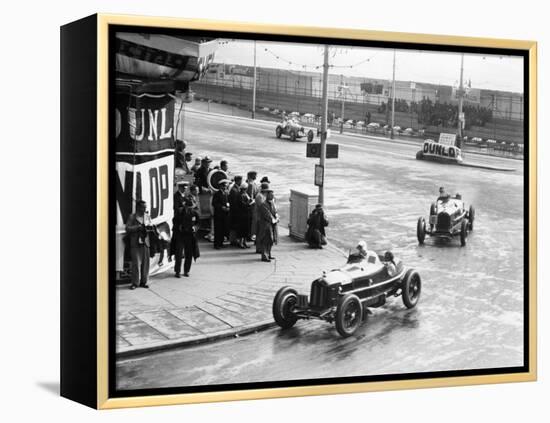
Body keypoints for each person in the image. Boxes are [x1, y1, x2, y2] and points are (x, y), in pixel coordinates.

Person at [125, 200, 157, 289]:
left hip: (145, 242)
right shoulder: (132, 217)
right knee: (136, 264)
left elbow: (150, 226)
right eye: (143, 207)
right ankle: (135, 283)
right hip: (135, 243)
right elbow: (127, 228)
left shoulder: (147, 216)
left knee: (145, 264)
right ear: (138, 207)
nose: (145, 208)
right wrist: (138, 227)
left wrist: (151, 228)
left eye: (145, 207)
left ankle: (144, 282)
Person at [173, 198, 200, 278]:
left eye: (191, 208)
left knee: (189, 254)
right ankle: (177, 271)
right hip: (181, 235)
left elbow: (198, 223)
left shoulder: (195, 213)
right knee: (179, 253)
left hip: (190, 235)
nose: (189, 209)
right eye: (188, 208)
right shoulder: (180, 212)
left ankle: (186, 270)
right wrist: (178, 226)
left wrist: (194, 228)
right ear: (185, 207)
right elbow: (174, 221)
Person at [257, 188, 279, 262]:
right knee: (266, 240)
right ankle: (264, 255)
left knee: (271, 240)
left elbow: (275, 212)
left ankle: (268, 254)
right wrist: (274, 220)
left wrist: (276, 216)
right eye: (271, 195)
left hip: (272, 224)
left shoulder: (272, 204)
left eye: (273, 195)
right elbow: (267, 215)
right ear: (267, 195)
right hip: (266, 225)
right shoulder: (263, 204)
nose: (272, 196)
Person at [212, 179, 231, 249]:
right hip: (218, 215)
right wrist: (221, 207)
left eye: (225, 186)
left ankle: (221, 242)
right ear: (220, 186)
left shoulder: (225, 193)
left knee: (223, 229)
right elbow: (214, 203)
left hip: (225, 214)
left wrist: (228, 207)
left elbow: (228, 202)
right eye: (223, 186)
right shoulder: (217, 194)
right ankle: (217, 244)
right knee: (218, 230)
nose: (225, 187)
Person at [233, 183, 253, 248]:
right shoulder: (239, 195)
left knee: (246, 229)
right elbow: (242, 205)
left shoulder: (245, 194)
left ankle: (244, 242)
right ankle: (241, 243)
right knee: (242, 229)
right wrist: (249, 203)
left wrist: (250, 201)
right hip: (242, 214)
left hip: (246, 214)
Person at [254, 182, 269, 253]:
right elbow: (262, 207)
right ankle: (258, 247)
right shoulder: (259, 196)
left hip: (262, 217)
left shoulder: (262, 195)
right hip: (260, 217)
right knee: (260, 233)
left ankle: (260, 247)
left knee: (262, 233)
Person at [228, 175, 243, 246]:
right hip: (235, 211)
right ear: (238, 181)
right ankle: (233, 240)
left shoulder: (235, 189)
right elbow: (234, 202)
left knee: (234, 225)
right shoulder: (234, 190)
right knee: (234, 225)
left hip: (234, 211)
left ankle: (233, 239)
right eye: (241, 181)